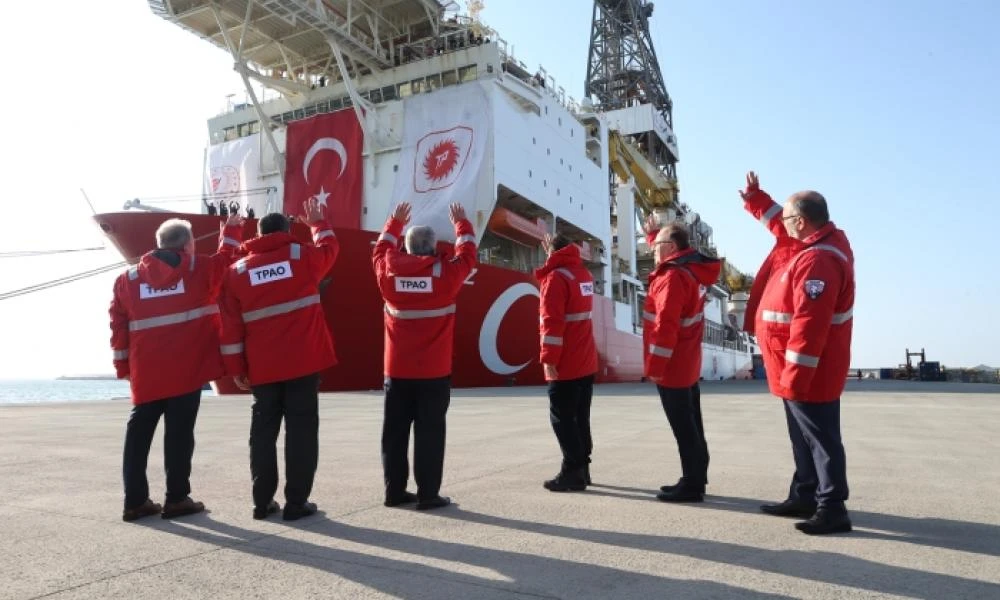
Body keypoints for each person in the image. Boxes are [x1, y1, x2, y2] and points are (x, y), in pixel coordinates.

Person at [740, 171, 855, 535]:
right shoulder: (812, 244)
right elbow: (779, 219)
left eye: (788, 220)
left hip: (808, 373)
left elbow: (810, 324)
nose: (781, 225)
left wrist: (796, 375)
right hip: (792, 371)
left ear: (801, 223)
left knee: (821, 440)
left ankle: (832, 507)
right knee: (803, 438)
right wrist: (757, 199)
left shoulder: (817, 260)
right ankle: (805, 494)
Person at [110, 213, 244, 521]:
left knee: (138, 436)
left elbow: (117, 325)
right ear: (189, 245)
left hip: (146, 375)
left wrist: (122, 367)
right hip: (187, 370)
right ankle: (177, 498)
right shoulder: (200, 269)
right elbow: (227, 258)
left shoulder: (127, 280)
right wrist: (232, 229)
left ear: (158, 244)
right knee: (180, 435)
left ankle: (135, 501)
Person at [219, 198, 338, 521]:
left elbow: (230, 330)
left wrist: (236, 370)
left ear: (257, 234)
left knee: (262, 434)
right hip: (303, 362)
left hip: (263, 368)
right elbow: (330, 248)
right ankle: (296, 504)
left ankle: (262, 502)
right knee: (301, 432)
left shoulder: (236, 272)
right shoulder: (303, 257)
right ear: (286, 231)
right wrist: (317, 222)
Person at [372, 201, 477, 510]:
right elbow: (468, 255)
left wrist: (393, 223)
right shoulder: (446, 275)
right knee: (430, 434)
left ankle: (394, 492)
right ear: (433, 248)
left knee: (394, 434)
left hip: (397, 371)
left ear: (406, 247)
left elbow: (379, 252)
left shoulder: (388, 274)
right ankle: (428, 495)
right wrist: (461, 224)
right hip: (434, 372)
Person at [642, 220, 720, 503]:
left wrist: (655, 367)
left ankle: (692, 485)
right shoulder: (690, 273)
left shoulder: (672, 278)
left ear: (671, 248)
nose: (651, 249)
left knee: (684, 428)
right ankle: (695, 476)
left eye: (656, 245)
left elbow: (665, 326)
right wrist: (655, 234)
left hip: (673, 366)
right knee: (692, 425)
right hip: (686, 362)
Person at [535, 233, 598, 492]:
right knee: (580, 417)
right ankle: (583, 468)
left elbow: (552, 323)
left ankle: (572, 471)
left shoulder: (555, 279)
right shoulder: (583, 275)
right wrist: (552, 253)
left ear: (551, 251)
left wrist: (548, 358)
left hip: (566, 362)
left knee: (562, 417)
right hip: (586, 359)